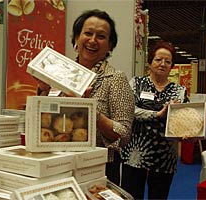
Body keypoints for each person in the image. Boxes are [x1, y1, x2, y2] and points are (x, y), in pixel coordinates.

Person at [36, 9, 135, 185]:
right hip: (57, 162)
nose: (92, 40)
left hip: (97, 167)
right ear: (76, 38)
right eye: (87, 33)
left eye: (101, 36)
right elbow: (44, 122)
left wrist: (89, 110)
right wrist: (43, 90)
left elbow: (124, 134)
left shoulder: (116, 78)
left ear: (110, 45)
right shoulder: (60, 73)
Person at [121, 41, 189, 200]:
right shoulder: (137, 83)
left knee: (159, 196)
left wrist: (188, 132)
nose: (163, 64)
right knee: (131, 196)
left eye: (168, 61)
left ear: (172, 66)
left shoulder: (179, 91)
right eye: (158, 59)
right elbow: (129, 111)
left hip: (165, 156)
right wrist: (158, 115)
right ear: (150, 62)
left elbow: (183, 120)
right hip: (135, 153)